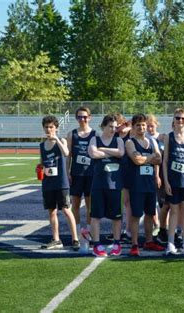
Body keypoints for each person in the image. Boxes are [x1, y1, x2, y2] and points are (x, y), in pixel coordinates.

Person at [126, 114, 165, 256]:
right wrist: (150, 158)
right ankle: (135, 244)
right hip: (136, 184)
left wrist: (144, 159)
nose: (141, 127)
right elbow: (136, 160)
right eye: (138, 125)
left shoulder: (152, 141)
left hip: (149, 184)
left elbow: (159, 159)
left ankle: (149, 242)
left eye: (143, 125)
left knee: (150, 214)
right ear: (133, 127)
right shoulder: (130, 142)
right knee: (136, 215)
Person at [39, 115, 79, 251]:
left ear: (56, 128)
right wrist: (39, 168)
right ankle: (56, 239)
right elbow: (42, 162)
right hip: (48, 183)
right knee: (51, 211)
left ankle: (75, 239)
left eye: (51, 127)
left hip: (61, 183)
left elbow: (67, 153)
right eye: (46, 127)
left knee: (66, 210)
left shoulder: (61, 140)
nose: (49, 129)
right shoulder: (42, 145)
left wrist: (56, 138)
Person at [88, 114, 125, 257]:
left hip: (115, 185)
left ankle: (117, 243)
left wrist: (102, 149)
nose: (113, 129)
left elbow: (121, 153)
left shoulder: (118, 140)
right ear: (103, 126)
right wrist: (111, 153)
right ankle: (97, 244)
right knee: (96, 216)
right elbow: (93, 154)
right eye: (110, 126)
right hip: (98, 184)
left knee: (116, 217)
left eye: (115, 127)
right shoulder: (94, 139)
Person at [163, 108, 184, 255]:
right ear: (174, 120)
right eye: (178, 118)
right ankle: (170, 243)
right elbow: (164, 162)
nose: (180, 121)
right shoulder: (169, 137)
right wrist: (166, 182)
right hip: (173, 181)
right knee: (174, 211)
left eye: (183, 118)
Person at [66, 107, 95, 243]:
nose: (82, 119)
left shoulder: (95, 135)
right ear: (76, 118)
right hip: (76, 174)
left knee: (90, 206)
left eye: (84, 117)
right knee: (75, 205)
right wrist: (67, 173)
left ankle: (88, 232)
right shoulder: (72, 134)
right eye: (79, 117)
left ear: (89, 117)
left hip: (91, 174)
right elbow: (68, 156)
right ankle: (77, 233)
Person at [114, 114, 132, 243]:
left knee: (128, 203)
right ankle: (116, 231)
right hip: (115, 172)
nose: (115, 127)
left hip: (128, 171)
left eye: (117, 124)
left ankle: (128, 230)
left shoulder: (130, 134)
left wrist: (127, 126)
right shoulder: (114, 136)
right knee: (117, 202)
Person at [145, 114, 164, 236]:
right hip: (149, 172)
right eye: (148, 126)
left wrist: (159, 175)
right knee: (151, 200)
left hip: (162, 172)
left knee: (163, 202)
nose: (149, 128)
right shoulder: (144, 138)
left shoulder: (162, 137)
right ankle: (156, 224)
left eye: (152, 126)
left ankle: (164, 226)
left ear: (156, 125)